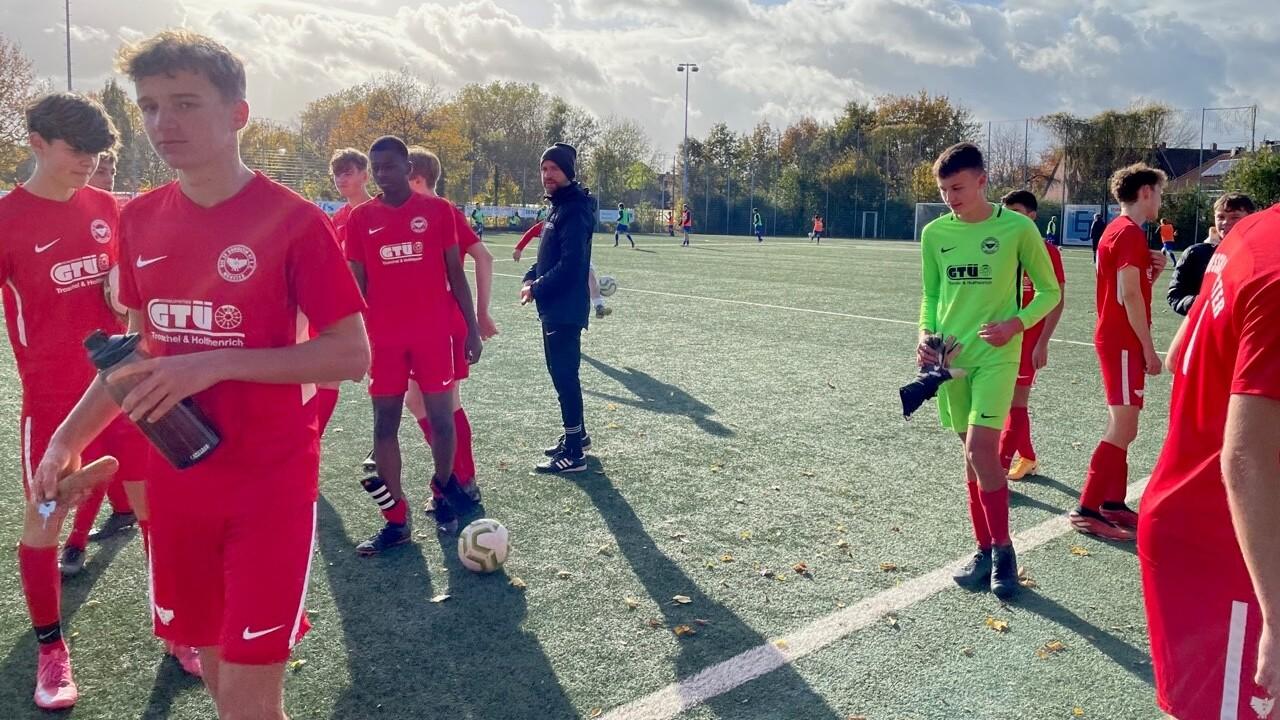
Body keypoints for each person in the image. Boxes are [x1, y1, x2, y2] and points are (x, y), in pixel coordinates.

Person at [35, 31, 370, 719]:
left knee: (247, 701)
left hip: (269, 486)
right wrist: (66, 439)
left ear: (238, 113)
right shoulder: (139, 219)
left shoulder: (296, 221)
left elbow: (350, 354)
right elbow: (134, 356)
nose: (163, 123)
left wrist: (212, 363)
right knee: (222, 687)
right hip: (178, 487)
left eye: (185, 103)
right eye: (150, 106)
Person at [0, 91, 137, 709]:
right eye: (77, 149)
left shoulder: (107, 206)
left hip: (125, 390)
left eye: (97, 151)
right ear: (36, 142)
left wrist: (121, 296)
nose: (89, 161)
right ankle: (51, 651)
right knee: (44, 519)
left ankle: (178, 628)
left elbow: (128, 295)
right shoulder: (7, 219)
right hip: (54, 401)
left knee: (157, 512)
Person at [1138, 202, 1280, 720]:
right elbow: (1246, 458)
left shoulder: (1254, 230)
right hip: (1228, 547)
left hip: (1202, 522)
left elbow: (1180, 354)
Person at [918, 143, 1061, 601]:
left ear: (982, 181)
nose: (950, 198)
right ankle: (983, 550)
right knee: (971, 456)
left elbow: (1050, 291)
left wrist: (1015, 324)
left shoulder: (1017, 228)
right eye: (944, 190)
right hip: (951, 359)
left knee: (982, 448)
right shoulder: (935, 234)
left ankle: (1003, 552)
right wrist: (925, 335)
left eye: (958, 188)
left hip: (998, 356)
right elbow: (931, 294)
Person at [346, 136, 483, 546]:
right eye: (377, 168)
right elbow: (356, 285)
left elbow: (456, 273)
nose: (382, 174)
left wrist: (472, 327)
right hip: (384, 339)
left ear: (408, 168)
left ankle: (443, 494)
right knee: (384, 425)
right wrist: (355, 339)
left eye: (390, 166)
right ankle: (396, 520)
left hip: (433, 335)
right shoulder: (360, 218)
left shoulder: (438, 211)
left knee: (441, 420)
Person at [1071, 163, 1169, 541]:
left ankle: (1112, 503)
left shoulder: (1119, 230)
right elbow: (1128, 296)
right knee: (1123, 426)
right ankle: (1087, 509)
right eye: (1158, 193)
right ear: (1145, 192)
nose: (1160, 200)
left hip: (1118, 338)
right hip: (1123, 341)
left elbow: (1128, 289)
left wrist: (1152, 273)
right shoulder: (1128, 233)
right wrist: (1149, 349)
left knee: (1124, 425)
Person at [521, 143, 593, 473]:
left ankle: (574, 453)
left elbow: (571, 264)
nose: (547, 174)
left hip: (565, 308)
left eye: (554, 168)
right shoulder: (558, 205)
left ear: (568, 172)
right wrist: (530, 275)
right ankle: (577, 436)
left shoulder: (574, 208)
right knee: (561, 373)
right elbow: (548, 256)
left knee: (564, 376)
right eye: (544, 168)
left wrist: (536, 287)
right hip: (554, 306)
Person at [997, 190, 1066, 480]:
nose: (1010, 218)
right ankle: (1028, 458)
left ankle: (997, 469)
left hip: (1029, 340)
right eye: (1006, 213)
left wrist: (1043, 343)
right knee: (1003, 403)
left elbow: (1056, 300)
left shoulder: (1047, 252)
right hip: (1002, 338)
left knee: (1016, 403)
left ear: (1032, 216)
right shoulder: (1002, 248)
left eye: (1016, 212)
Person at [316, 148, 374, 437]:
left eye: (348, 173)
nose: (341, 179)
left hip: (380, 309)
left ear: (365, 175)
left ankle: (383, 445)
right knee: (329, 374)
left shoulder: (381, 212)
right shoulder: (337, 218)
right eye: (337, 174)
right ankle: (312, 440)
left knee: (384, 381)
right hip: (346, 310)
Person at [1166, 192, 1255, 315]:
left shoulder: (1262, 254)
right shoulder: (1196, 254)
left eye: (1235, 217)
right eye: (1221, 217)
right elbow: (1175, 295)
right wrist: (1200, 302)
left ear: (1252, 218)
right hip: (1208, 325)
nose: (1225, 222)